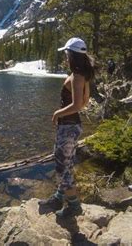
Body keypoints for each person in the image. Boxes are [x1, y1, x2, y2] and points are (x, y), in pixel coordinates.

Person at [39, 37, 95, 217]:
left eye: (66, 53)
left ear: (72, 55)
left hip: (68, 127)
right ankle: (58, 197)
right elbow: (85, 102)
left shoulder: (77, 76)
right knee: (67, 163)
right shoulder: (83, 75)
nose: (65, 56)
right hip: (71, 125)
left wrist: (57, 113)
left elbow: (78, 105)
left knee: (63, 167)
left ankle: (73, 206)